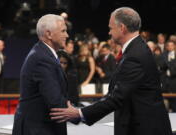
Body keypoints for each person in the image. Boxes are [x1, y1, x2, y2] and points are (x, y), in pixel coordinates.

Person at [50, 7, 173, 135]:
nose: (109, 32)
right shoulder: (136, 49)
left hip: (145, 129)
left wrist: (79, 113)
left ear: (122, 28)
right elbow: (115, 93)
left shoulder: (135, 55)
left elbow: (117, 98)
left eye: (111, 28)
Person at [12, 14, 69, 135]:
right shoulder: (42, 58)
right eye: (63, 31)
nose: (67, 35)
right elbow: (55, 102)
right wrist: (79, 113)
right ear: (49, 34)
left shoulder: (43, 53)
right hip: (37, 129)